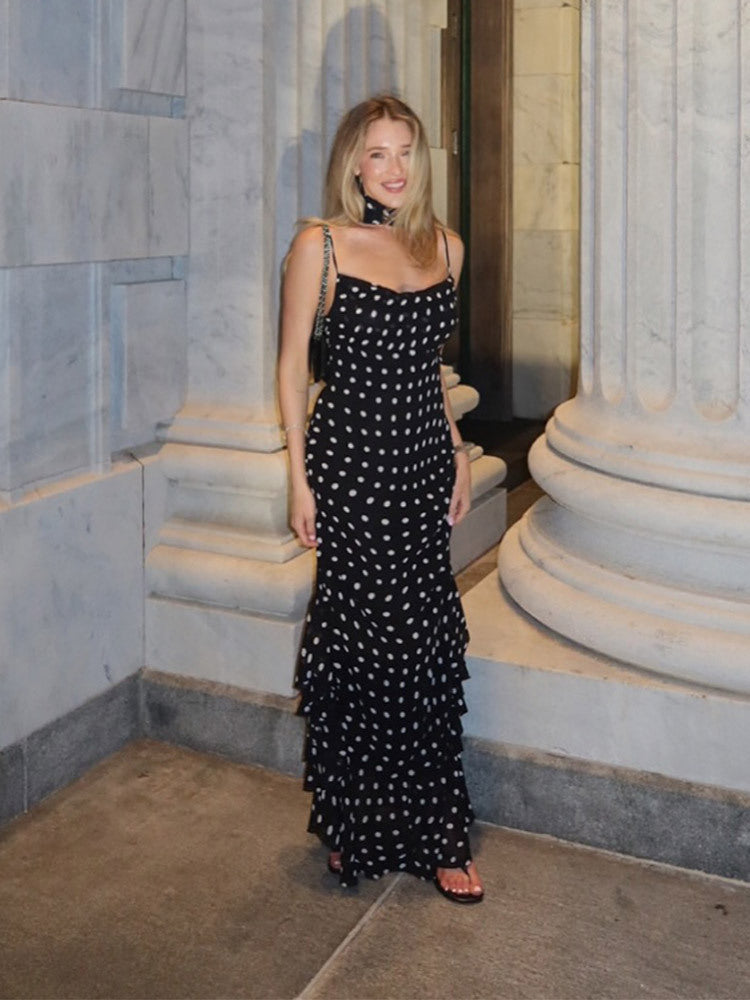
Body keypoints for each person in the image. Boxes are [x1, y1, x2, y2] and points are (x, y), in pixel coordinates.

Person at [278, 95, 484, 903]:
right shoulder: (319, 247)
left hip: (421, 464)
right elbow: (294, 366)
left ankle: (436, 831)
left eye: (405, 153)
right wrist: (299, 477)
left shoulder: (446, 247)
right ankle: (357, 819)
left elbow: (429, 367)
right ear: (352, 164)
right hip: (350, 468)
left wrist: (460, 453)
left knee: (425, 642)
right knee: (362, 642)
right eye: (377, 154)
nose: (393, 169)